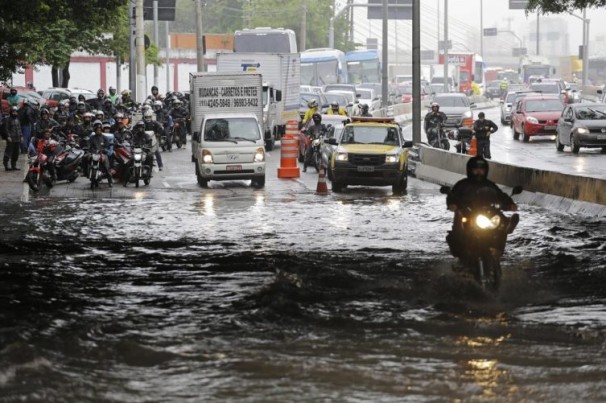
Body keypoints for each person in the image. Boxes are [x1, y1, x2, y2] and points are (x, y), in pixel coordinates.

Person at [445, 156, 518, 258]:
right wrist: (453, 205)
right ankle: (463, 255)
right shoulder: (462, 184)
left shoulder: (490, 185)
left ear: (485, 171)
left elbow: (501, 196)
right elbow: (453, 196)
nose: (479, 172)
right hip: (468, 215)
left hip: (486, 215)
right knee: (459, 232)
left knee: (501, 224)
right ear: (470, 170)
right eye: (476, 170)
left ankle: (498, 248)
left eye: (481, 170)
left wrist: (510, 204)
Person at [87, 120, 113, 187]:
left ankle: (110, 181)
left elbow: (107, 146)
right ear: (95, 130)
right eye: (97, 130)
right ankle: (86, 172)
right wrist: (89, 150)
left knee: (107, 167)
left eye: (99, 130)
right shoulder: (92, 138)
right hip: (94, 154)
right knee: (85, 158)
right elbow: (89, 145)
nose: (98, 131)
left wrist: (105, 150)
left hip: (102, 154)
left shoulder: (105, 138)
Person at [3, 107, 22, 171]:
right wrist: (8, 136)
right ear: (11, 112)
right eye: (13, 112)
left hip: (17, 138)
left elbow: (19, 129)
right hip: (11, 138)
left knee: (16, 153)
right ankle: (6, 165)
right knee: (8, 152)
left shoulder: (17, 120)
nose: (15, 113)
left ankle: (14, 165)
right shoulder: (7, 119)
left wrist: (21, 136)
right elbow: (6, 129)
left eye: (16, 112)